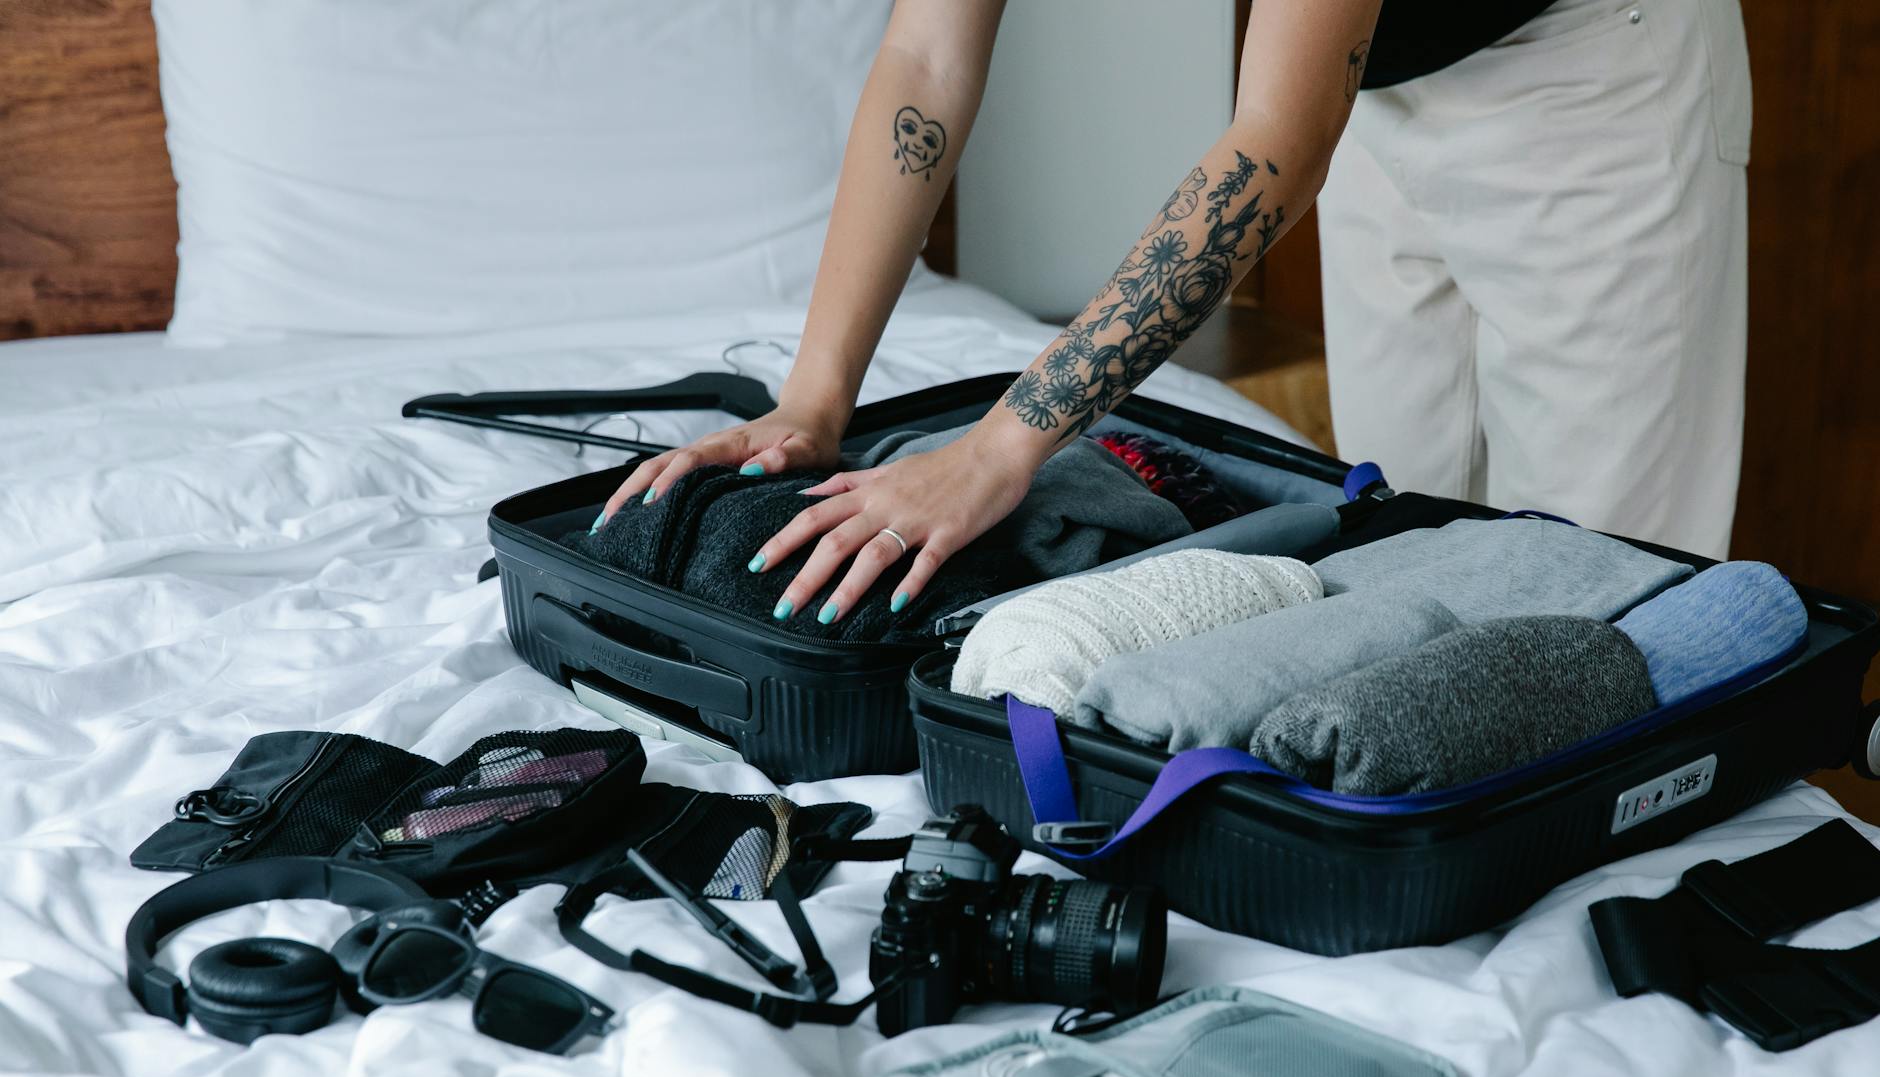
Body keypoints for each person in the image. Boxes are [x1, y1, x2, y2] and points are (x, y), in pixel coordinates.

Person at [599, 0, 1748, 626]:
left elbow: (1272, 146)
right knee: (1405, 560)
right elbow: (924, 57)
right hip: (1372, 86)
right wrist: (813, 397)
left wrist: (1001, 449)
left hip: (1590, 69)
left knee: (1609, 598)